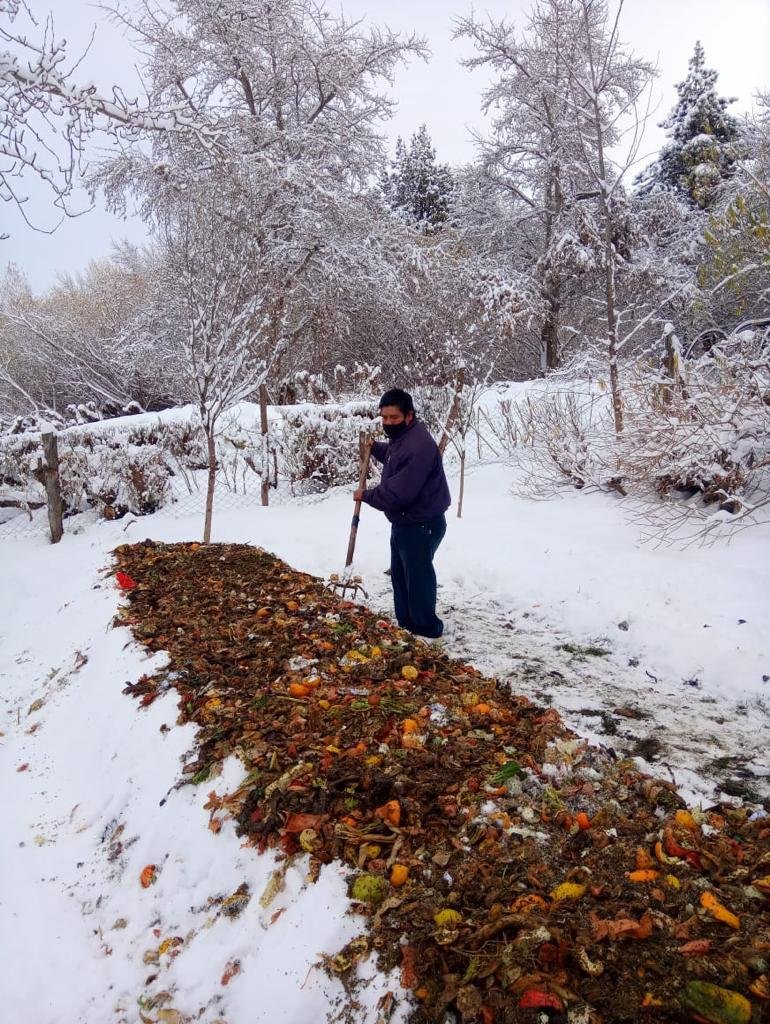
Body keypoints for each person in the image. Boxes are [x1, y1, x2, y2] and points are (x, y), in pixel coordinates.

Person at [353, 388, 451, 639]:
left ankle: (427, 629)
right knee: (401, 575)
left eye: (394, 418)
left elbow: (398, 494)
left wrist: (365, 495)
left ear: (409, 415)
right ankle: (407, 624)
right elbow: (395, 455)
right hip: (407, 522)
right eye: (384, 417)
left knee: (417, 578)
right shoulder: (405, 437)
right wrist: (376, 448)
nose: (388, 423)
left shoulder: (418, 446)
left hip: (421, 524)